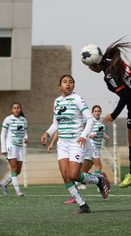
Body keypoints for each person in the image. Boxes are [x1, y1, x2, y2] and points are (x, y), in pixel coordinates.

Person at [88, 39, 131, 188]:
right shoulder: (114, 62)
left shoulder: (109, 74)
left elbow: (125, 96)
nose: (90, 70)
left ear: (96, 65)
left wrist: (113, 115)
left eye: (90, 67)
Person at [40, 75, 109, 214]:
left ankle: (99, 180)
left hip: (76, 142)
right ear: (60, 86)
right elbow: (56, 123)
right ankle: (83, 205)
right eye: (65, 82)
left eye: (71, 82)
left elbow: (89, 119)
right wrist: (47, 133)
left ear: (73, 86)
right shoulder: (57, 101)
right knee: (66, 176)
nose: (68, 84)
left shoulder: (77, 99)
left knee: (75, 175)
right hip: (62, 144)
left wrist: (83, 136)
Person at [0, 102, 28, 197]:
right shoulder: (8, 119)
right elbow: (3, 134)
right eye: (14, 108)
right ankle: (18, 191)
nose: (16, 109)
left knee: (18, 171)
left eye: (18, 107)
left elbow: (25, 132)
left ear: (21, 109)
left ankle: (4, 183)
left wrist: (26, 137)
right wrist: (3, 148)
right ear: (12, 110)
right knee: (14, 168)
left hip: (20, 147)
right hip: (10, 146)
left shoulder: (24, 120)